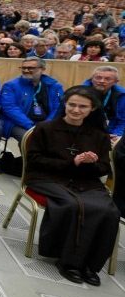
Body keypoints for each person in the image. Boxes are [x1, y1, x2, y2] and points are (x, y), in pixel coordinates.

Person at [24, 86, 118, 286]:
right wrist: (71, 162)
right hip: (47, 178)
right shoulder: (45, 128)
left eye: (82, 106)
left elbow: (103, 168)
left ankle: (90, 265)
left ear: (91, 109)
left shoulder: (99, 135)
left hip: (86, 180)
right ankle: (68, 262)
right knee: (73, 205)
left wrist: (90, 163)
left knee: (108, 211)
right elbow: (34, 160)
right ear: (65, 105)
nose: (76, 110)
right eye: (72, 105)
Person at [0, 57, 64, 143]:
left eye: (30, 68)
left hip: (47, 123)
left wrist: (47, 125)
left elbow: (58, 108)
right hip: (19, 123)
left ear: (42, 69)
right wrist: (31, 126)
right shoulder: (10, 86)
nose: (26, 70)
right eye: (23, 68)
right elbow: (10, 108)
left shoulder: (54, 86)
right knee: (30, 139)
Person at [84, 65, 125, 141]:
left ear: (115, 82)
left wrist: (116, 135)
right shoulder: (80, 92)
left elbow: (123, 120)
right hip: (84, 131)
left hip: (111, 132)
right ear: (92, 79)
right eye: (98, 78)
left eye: (107, 79)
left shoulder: (122, 95)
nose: (102, 81)